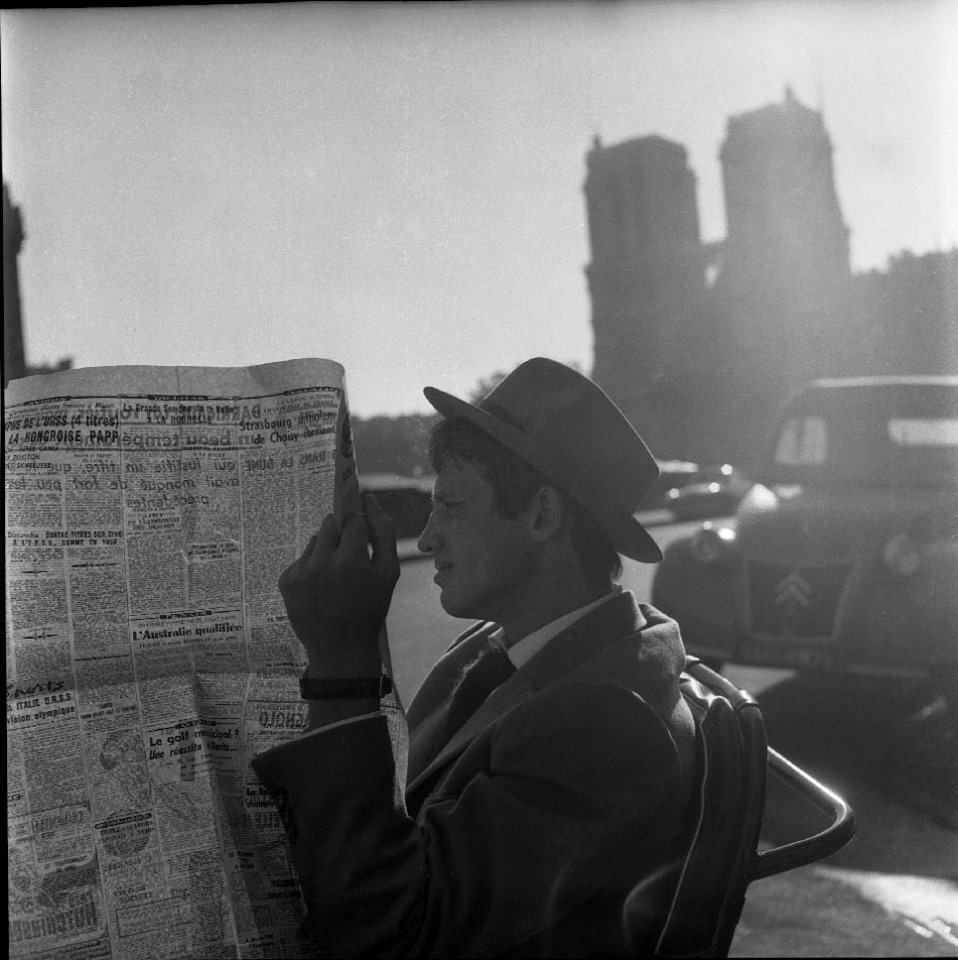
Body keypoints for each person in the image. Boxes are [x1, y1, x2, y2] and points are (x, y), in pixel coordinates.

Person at [252, 358, 698, 957]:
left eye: (452, 506)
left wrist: (341, 662)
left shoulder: (607, 722)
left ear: (541, 515)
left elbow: (393, 934)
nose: (427, 538)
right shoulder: (505, 648)